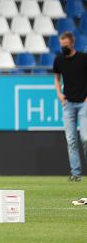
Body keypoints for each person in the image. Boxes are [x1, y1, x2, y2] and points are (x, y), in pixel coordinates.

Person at [54, 32, 87, 182]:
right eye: (62, 46)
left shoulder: (83, 58)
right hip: (68, 104)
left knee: (85, 138)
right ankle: (76, 173)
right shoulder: (59, 60)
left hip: (83, 103)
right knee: (71, 140)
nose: (63, 48)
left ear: (72, 43)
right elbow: (57, 78)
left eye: (66, 46)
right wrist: (59, 94)